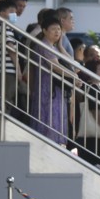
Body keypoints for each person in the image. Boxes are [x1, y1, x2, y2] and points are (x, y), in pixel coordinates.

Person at [29, 16, 71, 145]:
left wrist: (60, 46)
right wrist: (73, 77)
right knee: (49, 118)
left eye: (59, 29)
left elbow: (72, 63)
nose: (57, 32)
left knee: (56, 117)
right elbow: (54, 66)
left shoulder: (54, 47)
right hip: (46, 89)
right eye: (53, 29)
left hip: (55, 89)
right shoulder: (44, 46)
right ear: (44, 30)